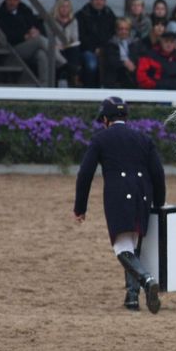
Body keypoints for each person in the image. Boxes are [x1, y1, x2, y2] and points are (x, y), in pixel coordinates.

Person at [73, 96, 165, 313]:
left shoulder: (101, 139)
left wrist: (80, 207)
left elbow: (85, 174)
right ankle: (132, 298)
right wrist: (159, 203)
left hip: (118, 197)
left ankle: (147, 280)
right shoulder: (143, 138)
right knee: (133, 246)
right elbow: (158, 173)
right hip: (143, 195)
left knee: (122, 248)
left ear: (105, 118)